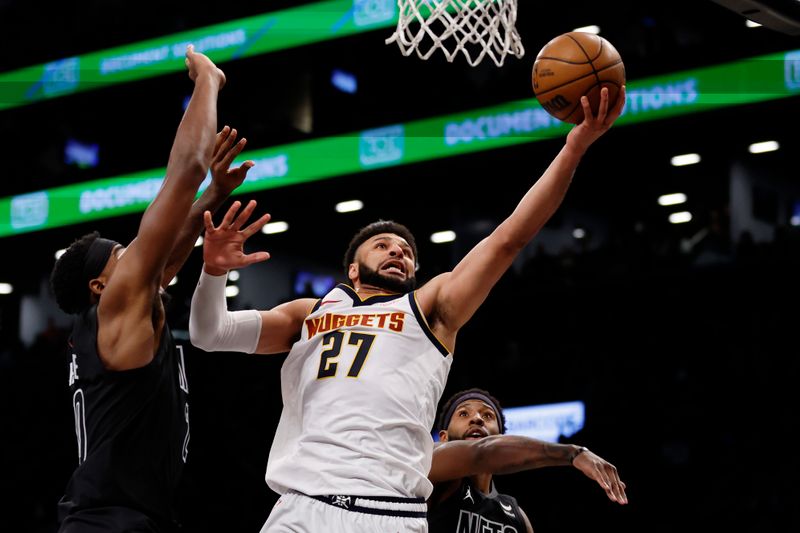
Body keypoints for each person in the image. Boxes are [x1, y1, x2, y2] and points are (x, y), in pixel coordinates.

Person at [189, 86, 627, 532]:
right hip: (301, 506)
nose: (397, 252)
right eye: (382, 246)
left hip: (388, 511)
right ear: (354, 269)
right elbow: (209, 334)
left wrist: (574, 148)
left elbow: (508, 238)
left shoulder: (432, 308)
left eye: (406, 250)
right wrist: (214, 273)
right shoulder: (311, 311)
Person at [49, 45, 255, 533]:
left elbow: (165, 260)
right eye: (124, 252)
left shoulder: (119, 320)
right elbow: (184, 170)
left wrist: (215, 195)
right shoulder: (117, 310)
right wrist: (208, 80)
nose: (138, 252)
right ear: (101, 285)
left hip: (125, 519)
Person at [427, 388, 628, 533]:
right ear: (443, 438)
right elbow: (481, 454)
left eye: (488, 415)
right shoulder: (431, 470)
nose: (477, 419)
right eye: (463, 413)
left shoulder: (515, 516)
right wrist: (573, 453)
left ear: (502, 438)